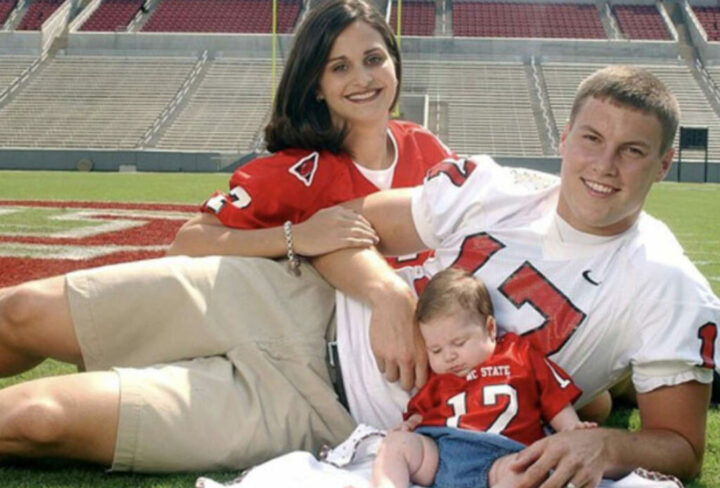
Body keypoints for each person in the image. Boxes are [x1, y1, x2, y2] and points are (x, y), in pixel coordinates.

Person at [0, 0, 453, 473]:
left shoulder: (431, 154)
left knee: (40, 419)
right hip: (273, 302)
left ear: (395, 63)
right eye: (339, 67)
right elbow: (190, 241)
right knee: (21, 311)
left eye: (374, 59)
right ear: (316, 86)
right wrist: (296, 236)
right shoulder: (297, 170)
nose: (362, 78)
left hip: (320, 402)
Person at [312, 65, 720, 486]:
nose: (605, 165)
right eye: (591, 139)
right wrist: (386, 295)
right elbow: (336, 226)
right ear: (564, 138)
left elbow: (683, 448)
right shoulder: (497, 189)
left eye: (632, 150)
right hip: (313, 315)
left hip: (362, 426)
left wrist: (607, 445)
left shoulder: (669, 284)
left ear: (664, 163)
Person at [372, 267, 596, 488]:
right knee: (395, 444)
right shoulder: (439, 376)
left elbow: (554, 399)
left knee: (529, 471)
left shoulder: (518, 355)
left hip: (503, 454)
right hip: (442, 454)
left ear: (490, 328)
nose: (449, 356)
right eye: (435, 350)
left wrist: (572, 429)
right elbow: (421, 412)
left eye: (459, 343)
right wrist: (410, 424)